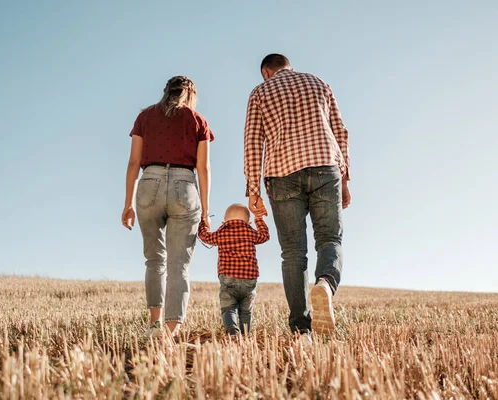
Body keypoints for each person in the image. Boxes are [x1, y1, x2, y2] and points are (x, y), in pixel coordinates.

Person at [243, 54, 352, 336]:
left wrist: (253, 190)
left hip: (282, 173)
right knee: (329, 238)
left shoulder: (260, 92)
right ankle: (325, 284)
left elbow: (253, 143)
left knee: (293, 253)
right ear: (288, 65)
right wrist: (346, 179)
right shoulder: (318, 83)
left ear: (266, 72)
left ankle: (301, 329)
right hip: (325, 167)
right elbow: (340, 131)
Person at [122, 76, 214, 339]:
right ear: (191, 95)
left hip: (148, 182)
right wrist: (206, 212)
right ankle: (171, 332)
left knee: (154, 259)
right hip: (184, 185)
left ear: (166, 92)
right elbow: (203, 168)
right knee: (179, 264)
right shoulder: (197, 120)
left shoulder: (145, 117)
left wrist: (128, 203)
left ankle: (154, 325)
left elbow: (133, 163)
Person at [197, 204, 269, 335]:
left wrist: (203, 223)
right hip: (249, 280)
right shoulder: (250, 232)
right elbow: (264, 236)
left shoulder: (221, 233)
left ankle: (232, 331)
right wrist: (259, 219)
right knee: (246, 311)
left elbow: (205, 237)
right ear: (248, 222)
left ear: (224, 221)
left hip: (228, 278)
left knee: (228, 308)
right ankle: (244, 335)